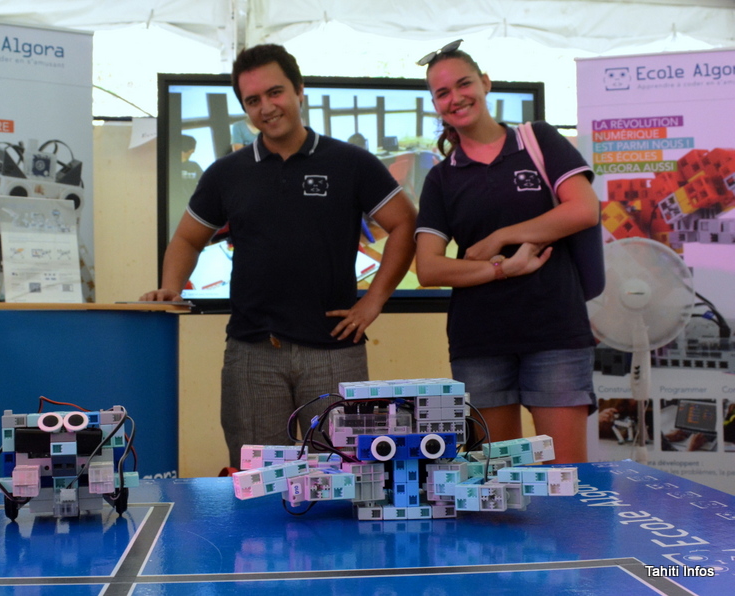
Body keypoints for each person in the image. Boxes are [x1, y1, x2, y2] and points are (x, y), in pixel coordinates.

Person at [141, 44, 417, 468]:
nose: (267, 107)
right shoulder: (226, 173)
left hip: (334, 351)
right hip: (252, 354)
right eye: (253, 100)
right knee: (258, 480)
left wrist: (373, 301)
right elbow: (186, 240)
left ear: (299, 90)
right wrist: (170, 288)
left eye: (275, 92)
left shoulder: (351, 163)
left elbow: (404, 224)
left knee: (344, 475)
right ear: (245, 109)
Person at [414, 40, 600, 464]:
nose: (456, 97)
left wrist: (500, 237)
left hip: (555, 332)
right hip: (480, 341)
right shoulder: (442, 178)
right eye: (442, 93)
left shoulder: (538, 140)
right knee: (495, 483)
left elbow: (584, 209)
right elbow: (428, 267)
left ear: (485, 83)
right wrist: (502, 269)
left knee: (565, 477)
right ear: (435, 105)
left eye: (464, 84)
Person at [179, 134, 203, 199]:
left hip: (192, 201)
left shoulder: (194, 166)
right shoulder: (172, 166)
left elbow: (205, 183)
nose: (193, 152)